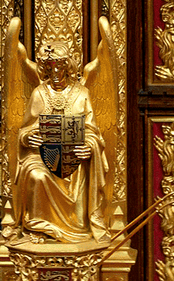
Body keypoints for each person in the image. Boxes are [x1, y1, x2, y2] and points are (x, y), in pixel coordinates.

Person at [12, 42, 109, 243]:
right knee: (36, 175)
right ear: (44, 68)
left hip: (73, 160)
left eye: (59, 65)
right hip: (41, 157)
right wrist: (28, 137)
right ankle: (38, 227)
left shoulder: (82, 93)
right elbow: (25, 129)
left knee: (78, 172)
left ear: (67, 66)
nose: (55, 71)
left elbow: (91, 130)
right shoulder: (39, 93)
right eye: (50, 66)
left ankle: (77, 225)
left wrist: (89, 147)